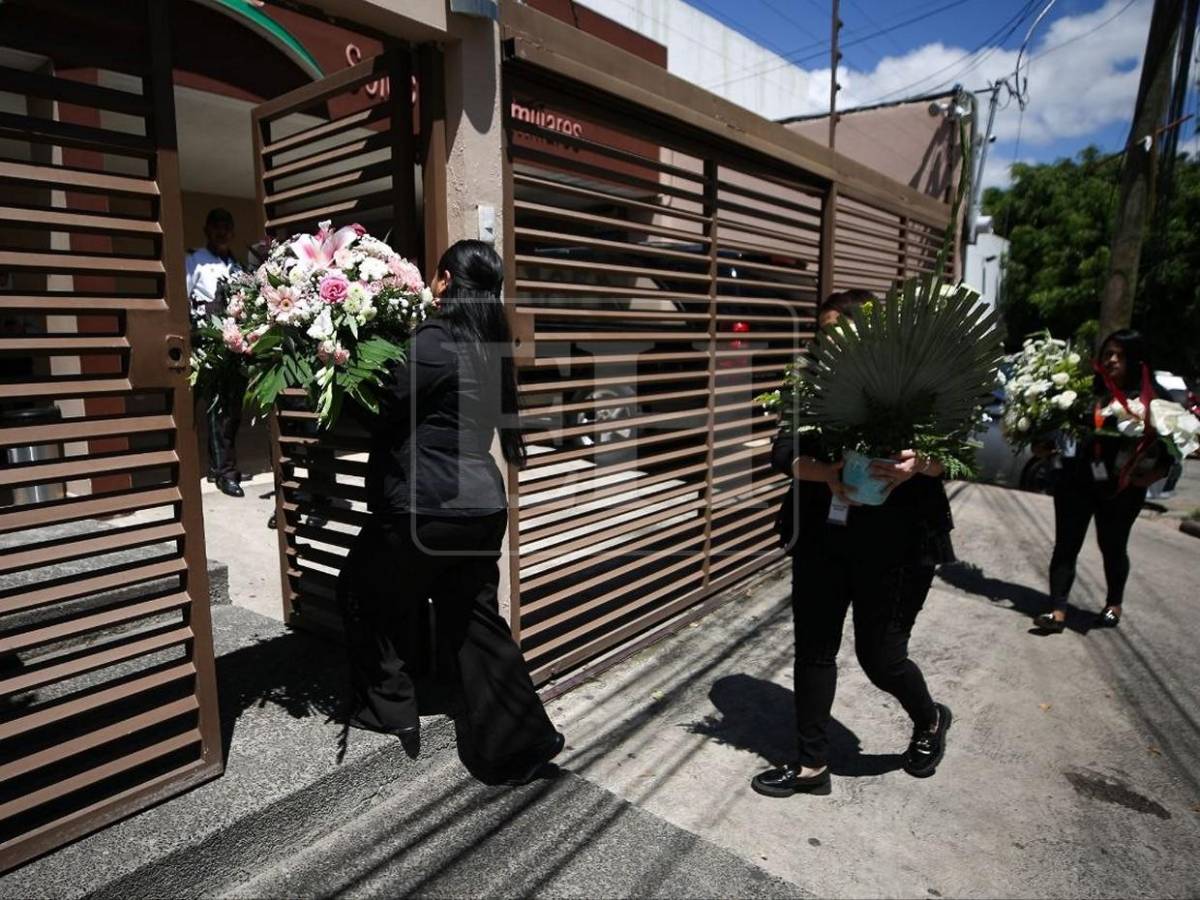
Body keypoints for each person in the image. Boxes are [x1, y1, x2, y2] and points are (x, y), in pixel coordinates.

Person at [337, 239, 563, 784]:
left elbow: (380, 404)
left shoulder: (436, 340)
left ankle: (391, 709)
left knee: (360, 591)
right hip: (480, 504)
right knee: (476, 623)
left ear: (442, 282)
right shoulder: (490, 346)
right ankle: (523, 742)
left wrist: (343, 359)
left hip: (429, 505)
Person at [752, 289, 954, 798]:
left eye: (841, 331)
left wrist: (916, 465)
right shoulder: (806, 384)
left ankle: (930, 719)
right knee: (814, 648)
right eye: (824, 333)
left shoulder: (914, 389)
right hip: (823, 532)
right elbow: (782, 454)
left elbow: (948, 459)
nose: (830, 342)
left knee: (880, 656)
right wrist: (829, 475)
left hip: (896, 545)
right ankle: (811, 765)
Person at [1034, 329, 1171, 633]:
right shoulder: (1083, 391)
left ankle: (1113, 604)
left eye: (1119, 355)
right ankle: (1057, 610)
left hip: (1121, 490)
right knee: (1065, 546)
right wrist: (1041, 445)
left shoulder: (1154, 399)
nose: (1111, 360)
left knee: (1112, 546)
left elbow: (1172, 450)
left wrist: (1148, 476)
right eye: (1107, 353)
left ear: (1135, 360)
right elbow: (1054, 429)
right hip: (1075, 482)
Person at [187, 208, 245, 498]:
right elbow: (183, 303)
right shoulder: (194, 261)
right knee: (216, 411)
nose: (222, 231)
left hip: (234, 345)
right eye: (217, 226)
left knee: (232, 412)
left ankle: (217, 468)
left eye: (227, 226)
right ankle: (224, 473)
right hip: (206, 347)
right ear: (207, 229)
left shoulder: (237, 266)